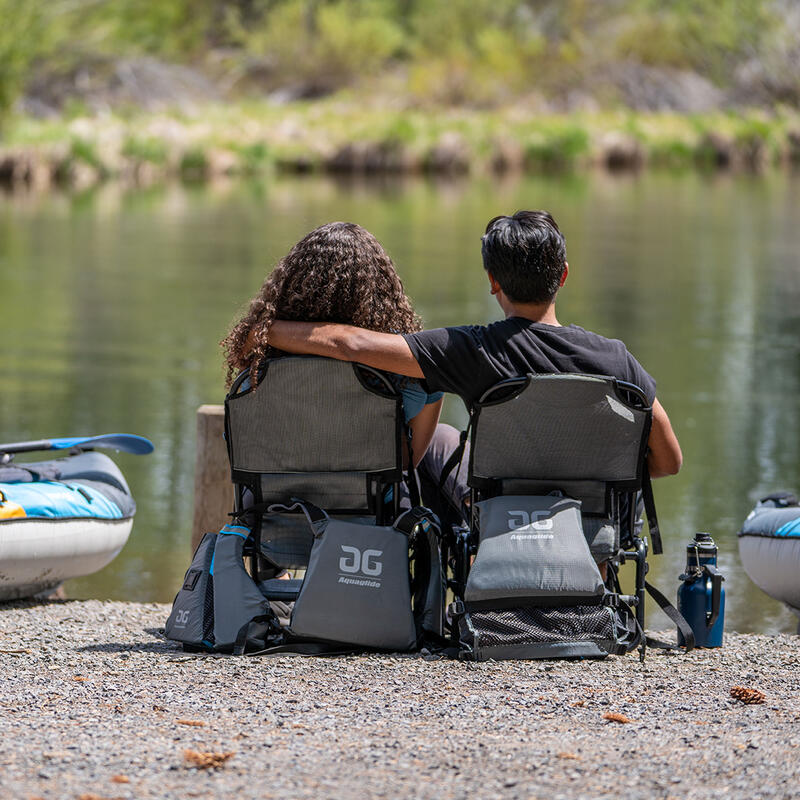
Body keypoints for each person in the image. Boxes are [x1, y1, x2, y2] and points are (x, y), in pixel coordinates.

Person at [262, 211, 682, 516]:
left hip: (503, 513)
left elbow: (350, 344)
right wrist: (595, 475)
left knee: (441, 442)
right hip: (592, 518)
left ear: (493, 281)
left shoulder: (469, 350)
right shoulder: (617, 359)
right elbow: (669, 462)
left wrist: (261, 329)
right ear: (564, 275)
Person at [221, 221, 444, 467]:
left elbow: (239, 449)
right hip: (370, 502)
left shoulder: (262, 365)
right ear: (380, 289)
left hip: (275, 502)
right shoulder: (405, 369)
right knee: (443, 439)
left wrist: (265, 331)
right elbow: (406, 464)